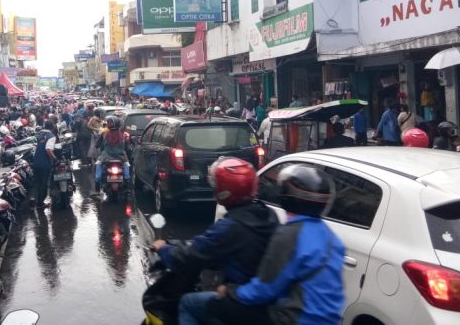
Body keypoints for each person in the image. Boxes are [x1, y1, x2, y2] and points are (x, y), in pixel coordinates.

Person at [207, 164, 345, 325]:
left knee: (208, 305)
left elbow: (264, 289)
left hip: (294, 319)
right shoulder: (330, 237)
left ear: (287, 197)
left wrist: (231, 291)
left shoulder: (290, 234)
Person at [153, 157, 278, 325]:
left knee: (187, 304)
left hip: (241, 301)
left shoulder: (231, 226)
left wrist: (164, 249)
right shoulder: (267, 215)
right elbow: (210, 246)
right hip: (265, 303)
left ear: (224, 191)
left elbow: (192, 254)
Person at [94, 115, 129, 191]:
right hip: (120, 156)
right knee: (126, 165)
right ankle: (127, 180)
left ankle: (97, 183)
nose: (108, 124)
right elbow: (127, 146)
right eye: (108, 122)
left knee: (98, 164)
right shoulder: (123, 135)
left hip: (106, 156)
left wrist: (97, 146)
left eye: (110, 122)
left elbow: (98, 145)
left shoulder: (104, 134)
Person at [32, 120, 56, 208]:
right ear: (53, 127)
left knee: (37, 182)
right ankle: (40, 203)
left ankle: (34, 199)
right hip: (44, 162)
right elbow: (48, 149)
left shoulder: (39, 133)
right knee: (44, 183)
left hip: (36, 160)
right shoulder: (51, 136)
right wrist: (55, 159)